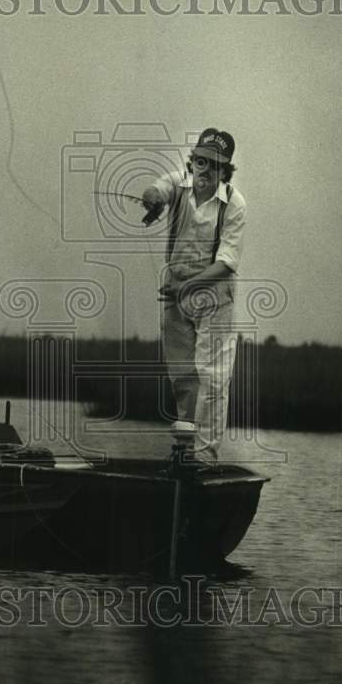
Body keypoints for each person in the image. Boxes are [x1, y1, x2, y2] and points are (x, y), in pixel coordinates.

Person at [142, 128, 247, 465]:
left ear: (225, 171)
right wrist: (152, 199)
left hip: (214, 294)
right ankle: (183, 452)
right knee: (183, 374)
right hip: (176, 290)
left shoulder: (234, 203)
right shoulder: (178, 182)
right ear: (193, 162)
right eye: (200, 161)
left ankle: (205, 458)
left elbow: (227, 263)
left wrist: (187, 288)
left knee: (213, 376)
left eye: (214, 165)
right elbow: (157, 189)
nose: (205, 170)